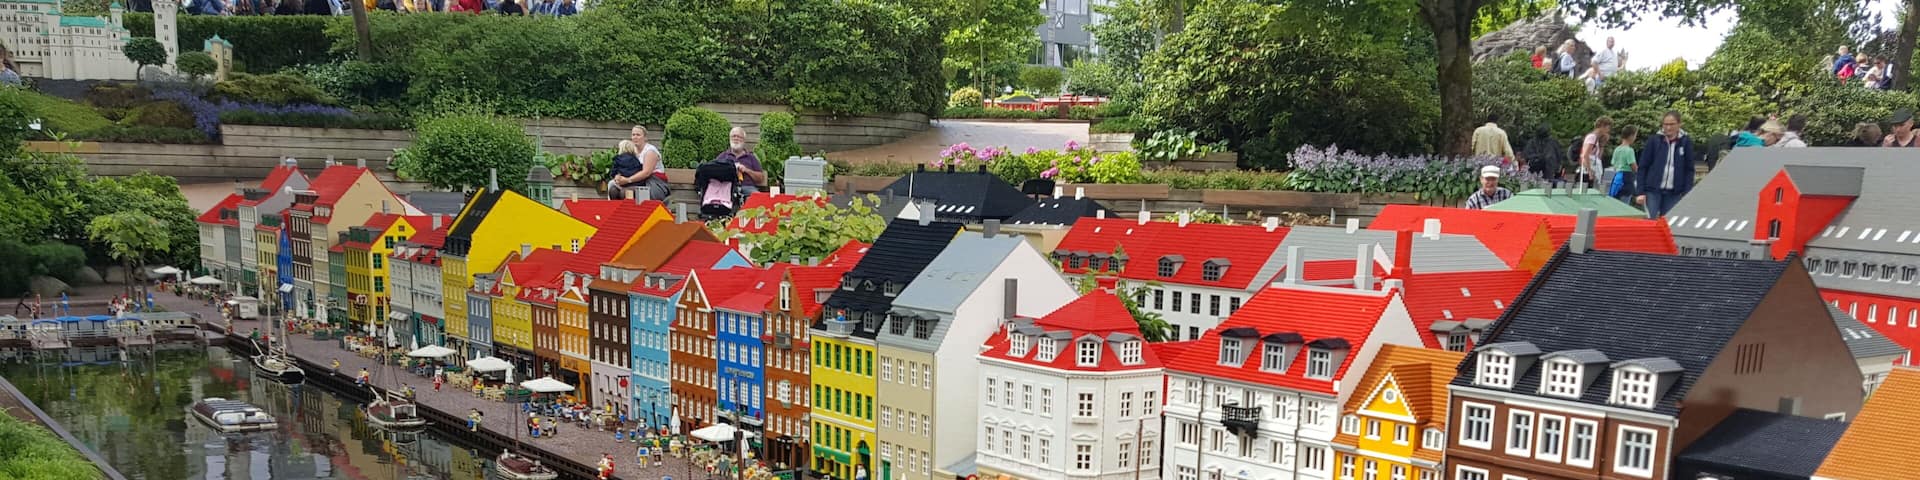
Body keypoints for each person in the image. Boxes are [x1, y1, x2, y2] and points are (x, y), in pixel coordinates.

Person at [1636, 110, 1697, 219]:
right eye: (1666, 124)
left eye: (1672, 124)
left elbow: (1689, 169)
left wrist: (1687, 192)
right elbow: (1643, 167)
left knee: (1668, 223)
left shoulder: (1685, 142)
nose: (1668, 128)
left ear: (1679, 124)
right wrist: (1640, 191)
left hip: (1674, 192)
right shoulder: (1654, 141)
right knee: (1649, 222)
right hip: (1653, 190)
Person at [610, 127, 671, 200]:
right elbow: (623, 167)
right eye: (633, 135)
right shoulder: (632, 151)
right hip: (636, 182)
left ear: (645, 138)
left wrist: (627, 180)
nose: (635, 137)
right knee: (613, 190)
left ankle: (632, 211)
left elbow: (646, 173)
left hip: (653, 183)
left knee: (625, 192)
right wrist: (618, 176)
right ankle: (616, 210)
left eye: (638, 135)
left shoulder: (650, 151)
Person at [715, 127, 767, 195]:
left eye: (739, 137)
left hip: (748, 188)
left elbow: (760, 178)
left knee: (759, 199)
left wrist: (746, 170)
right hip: (727, 188)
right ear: (730, 139)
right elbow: (714, 173)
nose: (736, 138)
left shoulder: (751, 157)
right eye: (733, 136)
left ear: (744, 140)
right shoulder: (723, 156)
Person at [1579, 116, 1613, 190]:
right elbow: (1585, 155)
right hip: (1588, 171)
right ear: (1602, 126)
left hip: (1594, 170)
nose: (1608, 130)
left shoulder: (1596, 139)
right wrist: (1590, 171)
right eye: (1607, 127)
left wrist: (1602, 144)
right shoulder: (1592, 137)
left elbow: (1598, 157)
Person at [1610, 126, 1638, 202]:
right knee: (1625, 201)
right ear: (1631, 136)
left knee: (1615, 201)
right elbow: (1633, 166)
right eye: (1635, 136)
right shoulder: (1629, 150)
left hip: (1616, 177)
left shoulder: (1617, 149)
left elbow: (1613, 164)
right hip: (1626, 178)